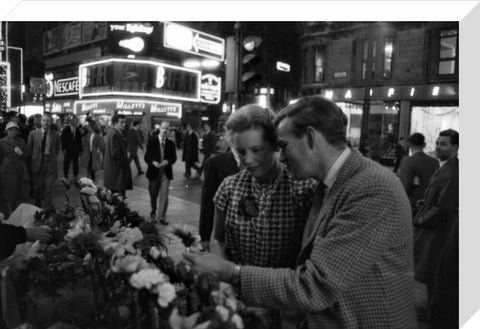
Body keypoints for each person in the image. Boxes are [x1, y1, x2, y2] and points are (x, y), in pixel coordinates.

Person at [184, 96, 417, 329]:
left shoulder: (370, 187)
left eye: (283, 146)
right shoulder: (331, 184)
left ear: (311, 137)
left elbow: (316, 285)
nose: (281, 157)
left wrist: (231, 272)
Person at [413, 129, 459, 316]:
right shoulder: (444, 166)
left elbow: (444, 207)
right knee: (431, 270)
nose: (438, 147)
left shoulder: (452, 171)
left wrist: (422, 219)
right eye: (438, 143)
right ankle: (431, 308)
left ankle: (434, 310)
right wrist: (424, 203)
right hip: (434, 227)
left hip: (439, 230)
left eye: (443, 144)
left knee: (435, 270)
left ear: (455, 147)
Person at [198, 135, 240, 244]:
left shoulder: (258, 163)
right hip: (224, 237)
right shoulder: (215, 163)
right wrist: (206, 237)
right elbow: (208, 202)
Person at [144, 121, 177, 224]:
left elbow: (174, 158)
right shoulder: (152, 141)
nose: (165, 130)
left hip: (165, 173)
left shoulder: (171, 144)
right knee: (153, 194)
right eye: (163, 128)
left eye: (167, 129)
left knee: (164, 195)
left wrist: (167, 161)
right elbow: (147, 157)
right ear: (159, 129)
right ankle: (153, 210)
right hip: (154, 173)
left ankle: (161, 217)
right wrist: (153, 162)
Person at [399, 132, 439, 214]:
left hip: (413, 205)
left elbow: (405, 186)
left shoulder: (408, 161)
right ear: (424, 145)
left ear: (409, 144)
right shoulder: (434, 162)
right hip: (430, 204)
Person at [27, 114, 61, 208]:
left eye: (48, 121)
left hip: (50, 163)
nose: (46, 122)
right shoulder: (33, 134)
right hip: (37, 163)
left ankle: (47, 211)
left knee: (49, 189)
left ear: (51, 123)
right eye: (44, 120)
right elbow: (29, 149)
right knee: (38, 188)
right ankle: (37, 208)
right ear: (41, 122)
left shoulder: (56, 135)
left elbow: (57, 149)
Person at [0, 122, 29, 216]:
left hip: (19, 170)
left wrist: (21, 154)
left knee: (18, 192)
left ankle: (16, 211)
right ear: (7, 131)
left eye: (15, 129)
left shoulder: (21, 141)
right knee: (8, 192)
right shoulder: (2, 142)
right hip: (6, 171)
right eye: (11, 130)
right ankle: (9, 212)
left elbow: (26, 156)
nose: (13, 131)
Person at [103, 114, 132, 196]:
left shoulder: (114, 133)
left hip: (114, 175)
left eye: (125, 122)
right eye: (121, 122)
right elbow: (115, 153)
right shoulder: (114, 134)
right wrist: (126, 161)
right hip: (117, 175)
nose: (124, 124)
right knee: (118, 200)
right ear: (115, 123)